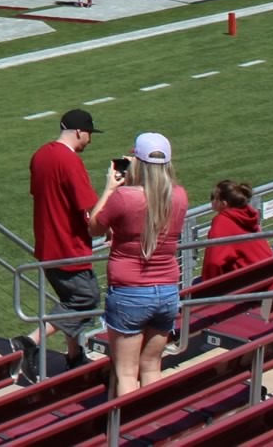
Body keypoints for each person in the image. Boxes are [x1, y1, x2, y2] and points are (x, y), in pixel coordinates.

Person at [88, 131, 187, 398]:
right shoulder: (179, 196)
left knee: (127, 372)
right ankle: (150, 426)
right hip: (166, 291)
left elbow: (94, 227)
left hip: (130, 291)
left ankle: (129, 430)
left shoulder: (124, 197)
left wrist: (110, 188)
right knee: (152, 367)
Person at [22, 109, 101, 382]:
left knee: (70, 302)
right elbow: (88, 206)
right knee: (86, 299)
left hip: (46, 244)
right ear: (79, 132)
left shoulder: (40, 155)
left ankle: (74, 356)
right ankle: (30, 342)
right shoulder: (71, 161)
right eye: (89, 134)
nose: (89, 141)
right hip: (69, 246)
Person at [199, 180, 269, 281]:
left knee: (195, 286)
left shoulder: (222, 221)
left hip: (254, 280)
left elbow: (213, 262)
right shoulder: (246, 214)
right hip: (268, 272)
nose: (211, 200)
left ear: (224, 204)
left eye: (213, 197)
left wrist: (208, 290)